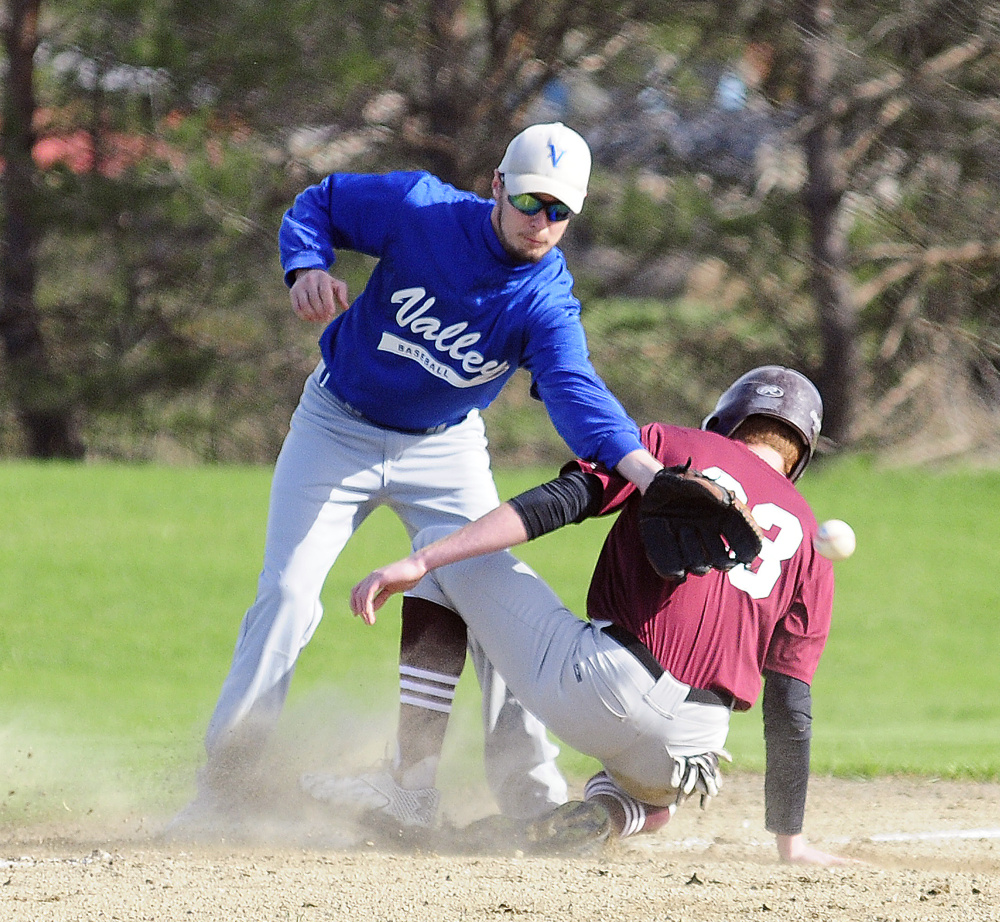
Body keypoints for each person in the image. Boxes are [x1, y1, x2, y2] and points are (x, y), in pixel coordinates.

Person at [174, 122, 668, 833]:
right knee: (285, 597)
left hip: (444, 449)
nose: (542, 222)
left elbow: (574, 389)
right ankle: (221, 791)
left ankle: (531, 796)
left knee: (502, 611)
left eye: (560, 211)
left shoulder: (543, 300)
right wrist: (306, 265)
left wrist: (645, 471)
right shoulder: (420, 209)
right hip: (334, 425)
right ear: (496, 185)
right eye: (530, 201)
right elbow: (319, 204)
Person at [349, 366, 856, 865]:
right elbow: (791, 703)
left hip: (603, 686)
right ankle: (606, 816)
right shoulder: (809, 544)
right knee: (656, 798)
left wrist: (424, 560)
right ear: (799, 460)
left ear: (724, 421)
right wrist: (791, 841)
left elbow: (561, 501)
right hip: (693, 742)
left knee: (438, 548)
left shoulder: (670, 444)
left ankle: (409, 794)